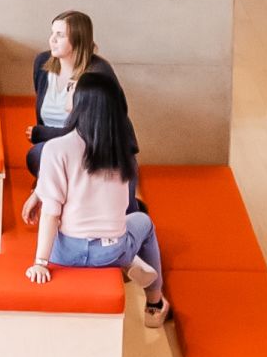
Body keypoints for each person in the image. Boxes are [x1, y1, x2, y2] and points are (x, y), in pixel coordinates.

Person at [23, 77, 169, 324]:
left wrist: (40, 263)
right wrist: (39, 192)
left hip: (65, 252)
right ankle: (154, 303)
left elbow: (51, 213)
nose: (67, 89)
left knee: (61, 219)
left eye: (72, 88)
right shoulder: (122, 152)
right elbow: (120, 206)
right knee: (142, 221)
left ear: (81, 102)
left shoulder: (57, 148)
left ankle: (131, 262)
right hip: (111, 251)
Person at [26, 9, 133, 164]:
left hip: (94, 148)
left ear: (78, 39)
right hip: (57, 146)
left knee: (47, 157)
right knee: (38, 156)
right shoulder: (42, 63)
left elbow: (94, 130)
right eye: (52, 33)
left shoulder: (99, 72)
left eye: (60, 35)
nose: (52, 40)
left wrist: (45, 133)